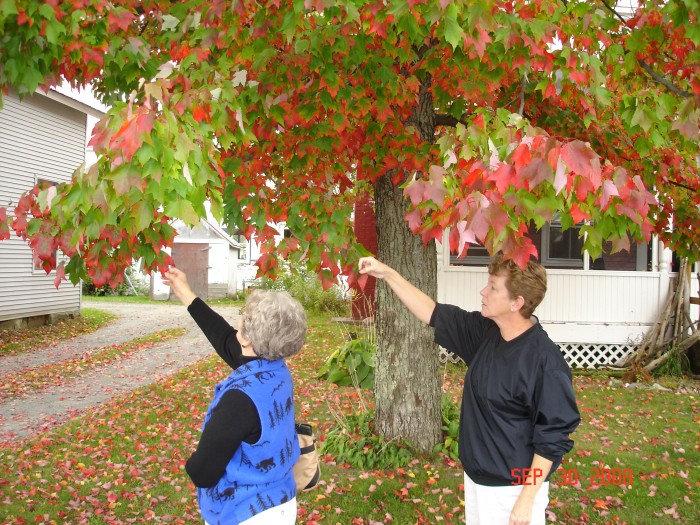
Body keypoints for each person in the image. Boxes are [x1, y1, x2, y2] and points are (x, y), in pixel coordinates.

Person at [358, 253, 580, 525]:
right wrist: (387, 273)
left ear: (517, 303)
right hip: (478, 482)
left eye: (493, 287)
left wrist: (526, 499)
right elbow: (433, 312)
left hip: (512, 491)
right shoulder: (487, 333)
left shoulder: (544, 362)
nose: (483, 291)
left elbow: (553, 439)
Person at [163, 267, 306, 525]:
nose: (240, 319)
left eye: (244, 315)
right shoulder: (276, 370)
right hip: (281, 502)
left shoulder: (239, 400)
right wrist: (185, 291)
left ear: (248, 337)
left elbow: (203, 473)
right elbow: (224, 339)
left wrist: (190, 462)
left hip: (247, 514)